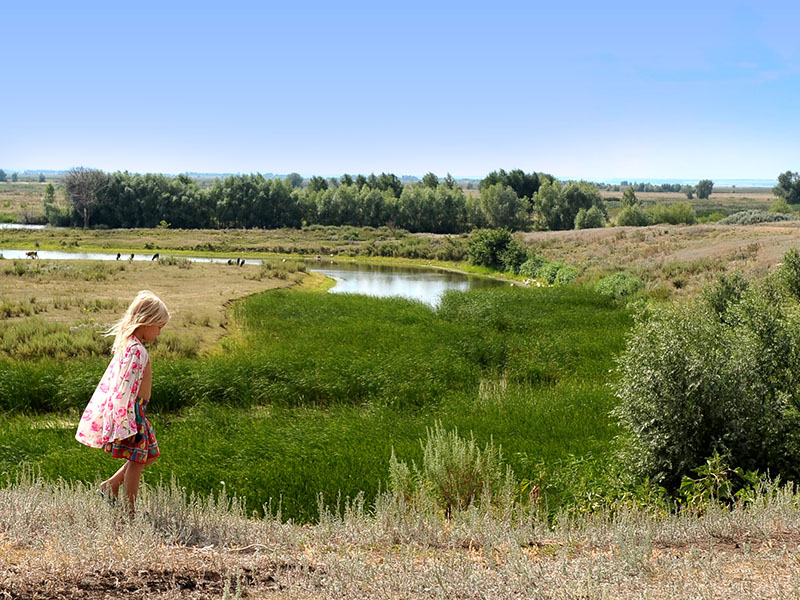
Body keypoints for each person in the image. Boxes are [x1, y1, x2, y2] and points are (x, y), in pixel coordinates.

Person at [75, 290, 170, 511]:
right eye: (159, 327)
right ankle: (129, 511)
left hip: (138, 410)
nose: (159, 333)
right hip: (133, 411)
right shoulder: (136, 350)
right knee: (138, 461)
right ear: (147, 322)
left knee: (150, 455)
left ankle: (110, 485)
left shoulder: (131, 346)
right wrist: (126, 418)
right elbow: (124, 387)